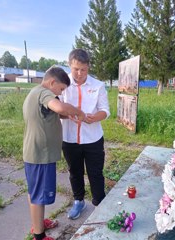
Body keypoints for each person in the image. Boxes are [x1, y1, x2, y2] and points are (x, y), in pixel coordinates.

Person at [23, 66, 85, 240]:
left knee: (35, 193)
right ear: (52, 82)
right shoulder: (44, 92)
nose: (61, 93)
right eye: (61, 89)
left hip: (35, 154)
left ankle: (38, 223)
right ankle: (39, 235)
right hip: (40, 155)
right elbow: (58, 107)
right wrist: (78, 111)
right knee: (37, 196)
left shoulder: (35, 93)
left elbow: (49, 113)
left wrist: (66, 116)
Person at [60, 49, 110, 220]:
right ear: (69, 65)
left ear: (88, 67)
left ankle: (99, 203)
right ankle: (78, 201)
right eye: (76, 69)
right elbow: (55, 108)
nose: (80, 74)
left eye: (84, 70)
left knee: (95, 172)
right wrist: (68, 114)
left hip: (93, 138)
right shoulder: (62, 84)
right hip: (69, 137)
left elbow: (105, 111)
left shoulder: (98, 85)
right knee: (75, 172)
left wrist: (95, 117)